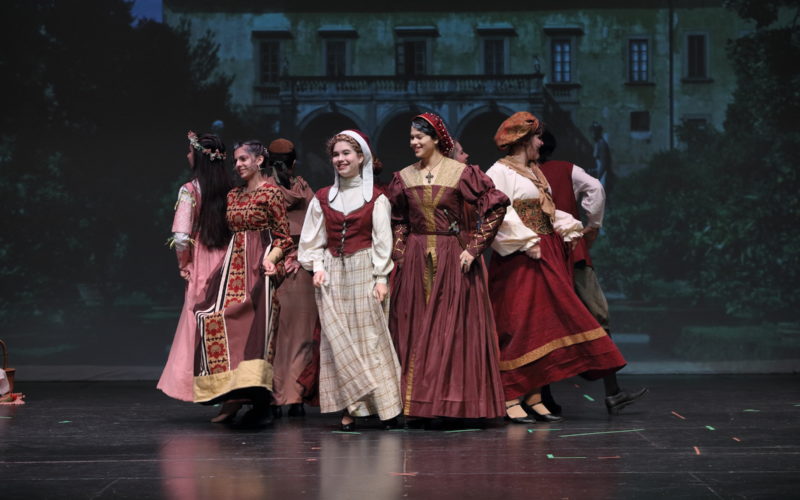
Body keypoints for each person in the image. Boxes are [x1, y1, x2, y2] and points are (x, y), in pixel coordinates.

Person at [486, 111, 626, 424]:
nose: (540, 143)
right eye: (537, 137)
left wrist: (567, 225)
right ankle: (510, 394)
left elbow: (546, 210)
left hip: (545, 251)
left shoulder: (534, 171)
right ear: (522, 140)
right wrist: (526, 241)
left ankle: (534, 395)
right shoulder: (499, 171)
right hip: (520, 256)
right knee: (519, 324)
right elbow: (497, 213)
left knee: (543, 325)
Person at [387, 113, 509, 423]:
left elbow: (495, 206)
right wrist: (400, 254)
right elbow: (399, 220)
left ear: (436, 138)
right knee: (416, 328)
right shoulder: (404, 177)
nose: (413, 142)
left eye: (419, 137)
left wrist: (474, 248)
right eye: (411, 137)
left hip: (452, 256)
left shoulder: (461, 173)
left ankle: (450, 404)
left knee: (449, 330)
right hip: (416, 259)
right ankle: (419, 405)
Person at [298, 130, 402, 431]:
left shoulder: (376, 198)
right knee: (338, 341)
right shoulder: (323, 197)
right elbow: (312, 240)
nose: (340, 159)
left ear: (361, 158)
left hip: (365, 269)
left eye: (346, 153)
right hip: (332, 274)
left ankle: (386, 406)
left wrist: (381, 278)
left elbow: (383, 240)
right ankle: (351, 407)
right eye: (336, 154)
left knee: (370, 338)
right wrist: (318, 266)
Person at [538, 130, 648, 414]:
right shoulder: (566, 169)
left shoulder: (516, 173)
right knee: (598, 318)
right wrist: (593, 226)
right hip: (569, 252)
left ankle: (543, 398)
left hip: (538, 256)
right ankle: (612, 392)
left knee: (542, 325)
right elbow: (596, 189)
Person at [193, 140, 294, 426]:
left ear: (259, 161)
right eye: (235, 160)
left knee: (257, 333)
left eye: (243, 159)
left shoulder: (271, 193)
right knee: (213, 318)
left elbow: (283, 237)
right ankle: (232, 396)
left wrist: (271, 260)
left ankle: (261, 404)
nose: (237, 165)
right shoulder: (233, 195)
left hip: (259, 267)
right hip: (233, 267)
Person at [158, 132, 233, 402]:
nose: (187, 155)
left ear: (199, 156)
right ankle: (231, 388)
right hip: (229, 259)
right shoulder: (231, 190)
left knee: (198, 320)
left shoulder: (190, 190)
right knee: (226, 322)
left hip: (202, 259)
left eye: (191, 151)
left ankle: (200, 386)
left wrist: (185, 262)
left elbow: (181, 236)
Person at [266, 138, 318, 418]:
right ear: (294, 162)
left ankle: (274, 397)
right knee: (301, 336)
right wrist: (300, 255)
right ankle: (295, 396)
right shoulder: (304, 189)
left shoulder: (262, 190)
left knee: (273, 335)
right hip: (300, 267)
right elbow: (317, 228)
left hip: (270, 268)